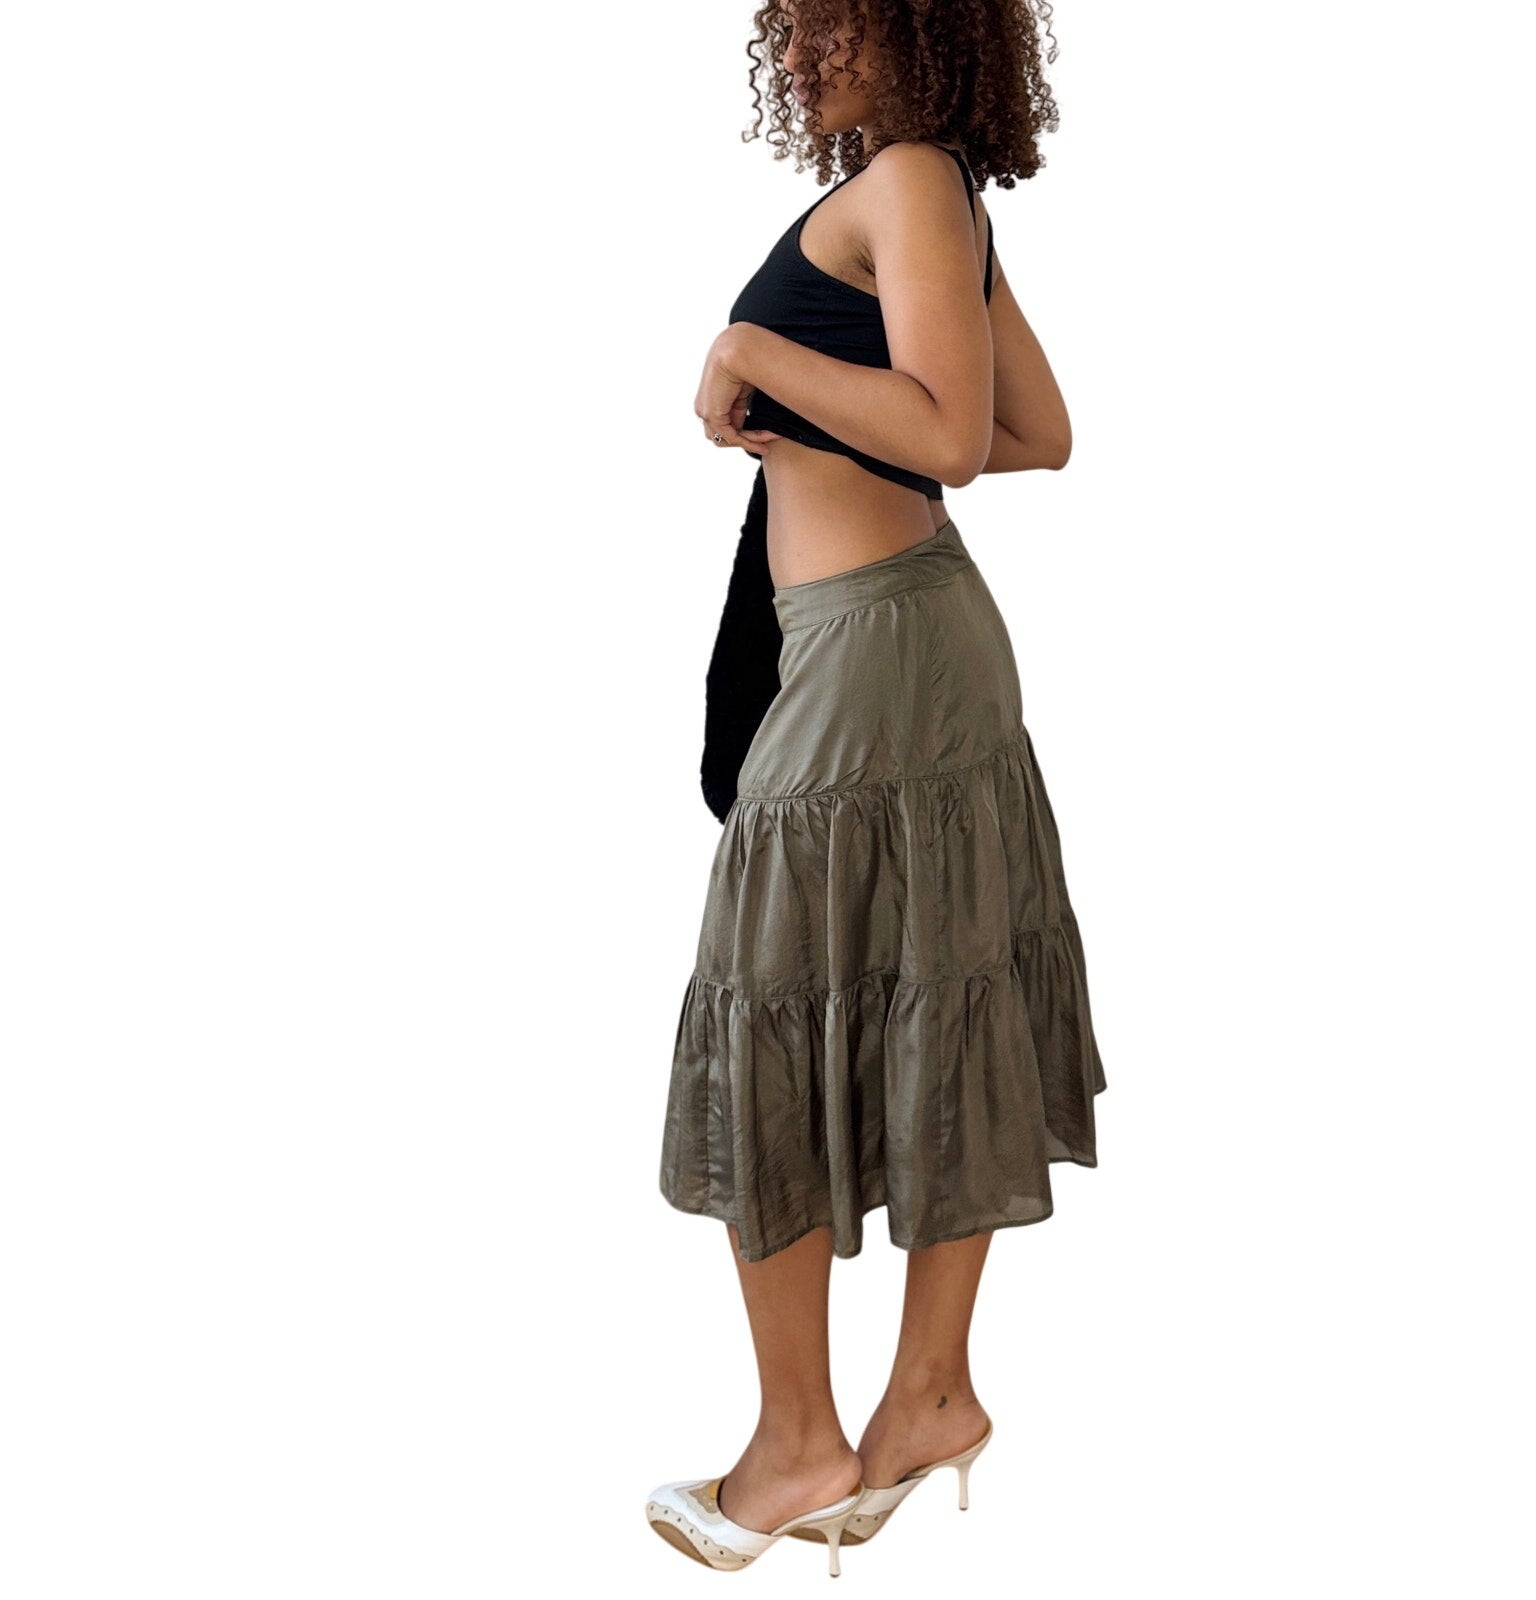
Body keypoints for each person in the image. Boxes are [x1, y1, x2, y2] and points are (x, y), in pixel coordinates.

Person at [647, 0, 1108, 1575]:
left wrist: (754, 355)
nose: (797, 46)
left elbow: (959, 438)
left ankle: (800, 1446)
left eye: (828, 18)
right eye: (792, 24)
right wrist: (819, 406)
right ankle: (926, 1399)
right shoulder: (929, 192)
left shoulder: (909, 179)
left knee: (771, 999)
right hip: (905, 640)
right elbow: (1038, 429)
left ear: (915, 23)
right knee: (936, 983)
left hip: (876, 661)